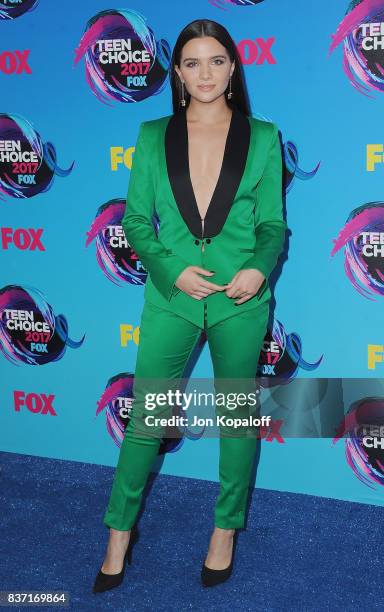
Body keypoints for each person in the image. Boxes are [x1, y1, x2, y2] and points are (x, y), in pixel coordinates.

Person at [93, 18, 288, 593]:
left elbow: (274, 225)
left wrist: (257, 267)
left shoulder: (265, 136)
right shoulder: (153, 134)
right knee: (147, 420)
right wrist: (173, 267)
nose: (205, 73)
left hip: (240, 299)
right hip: (172, 297)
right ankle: (117, 536)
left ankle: (224, 530)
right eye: (193, 63)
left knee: (234, 417)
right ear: (176, 73)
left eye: (217, 61)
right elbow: (133, 220)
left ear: (233, 69)